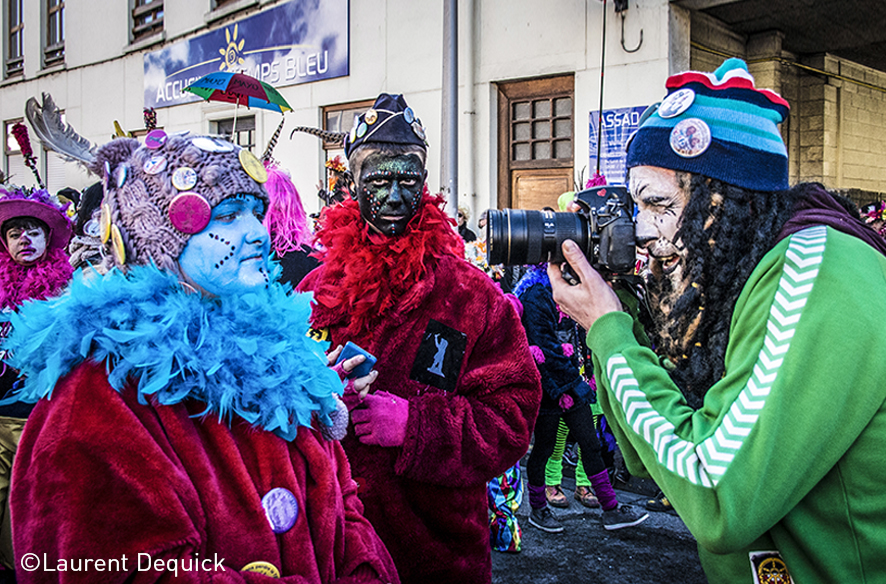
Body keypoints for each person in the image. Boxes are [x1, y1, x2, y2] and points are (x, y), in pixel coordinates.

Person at [3, 132, 399, 583]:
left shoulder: (279, 347)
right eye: (227, 216)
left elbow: (341, 498)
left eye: (256, 212)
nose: (254, 232)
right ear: (158, 242)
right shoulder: (100, 392)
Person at [549, 58, 886, 583]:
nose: (640, 232)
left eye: (658, 204)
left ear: (723, 201)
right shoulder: (740, 274)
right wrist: (620, 314)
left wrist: (610, 334)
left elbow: (714, 493)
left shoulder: (814, 273)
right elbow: (652, 462)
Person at [298, 93, 541, 584]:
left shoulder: (471, 295)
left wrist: (415, 425)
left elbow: (514, 417)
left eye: (407, 180)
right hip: (331, 546)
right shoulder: (313, 291)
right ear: (352, 184)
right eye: (378, 180)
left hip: (436, 554)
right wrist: (316, 390)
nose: (392, 196)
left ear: (425, 185)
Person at [515, 264, 648, 533]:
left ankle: (610, 509)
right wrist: (570, 386)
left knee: (590, 442)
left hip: (572, 382)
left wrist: (584, 375)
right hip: (547, 385)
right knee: (544, 448)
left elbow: (579, 338)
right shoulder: (535, 294)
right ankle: (539, 510)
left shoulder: (567, 292)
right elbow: (543, 348)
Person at [0, 186, 73, 570]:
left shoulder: (70, 289)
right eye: (15, 233)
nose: (24, 239)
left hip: (44, 419)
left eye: (32, 230)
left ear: (48, 238)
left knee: (29, 518)